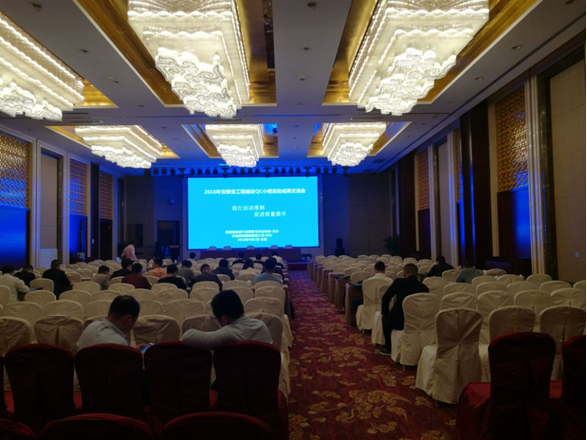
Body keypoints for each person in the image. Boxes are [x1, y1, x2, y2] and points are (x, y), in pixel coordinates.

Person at [182, 290, 272, 350]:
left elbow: (187, 337)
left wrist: (212, 321)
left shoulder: (227, 333)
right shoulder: (261, 325)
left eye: (216, 318)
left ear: (224, 318)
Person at [380, 263, 429, 355]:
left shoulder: (399, 282)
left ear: (404, 274)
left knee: (385, 318)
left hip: (399, 321)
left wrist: (385, 312)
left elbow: (385, 298)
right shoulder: (424, 288)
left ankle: (389, 347)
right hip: (418, 321)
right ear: (417, 274)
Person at [76, 295, 141, 350]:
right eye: (134, 321)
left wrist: (132, 352)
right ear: (128, 319)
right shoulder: (120, 344)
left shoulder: (91, 326)